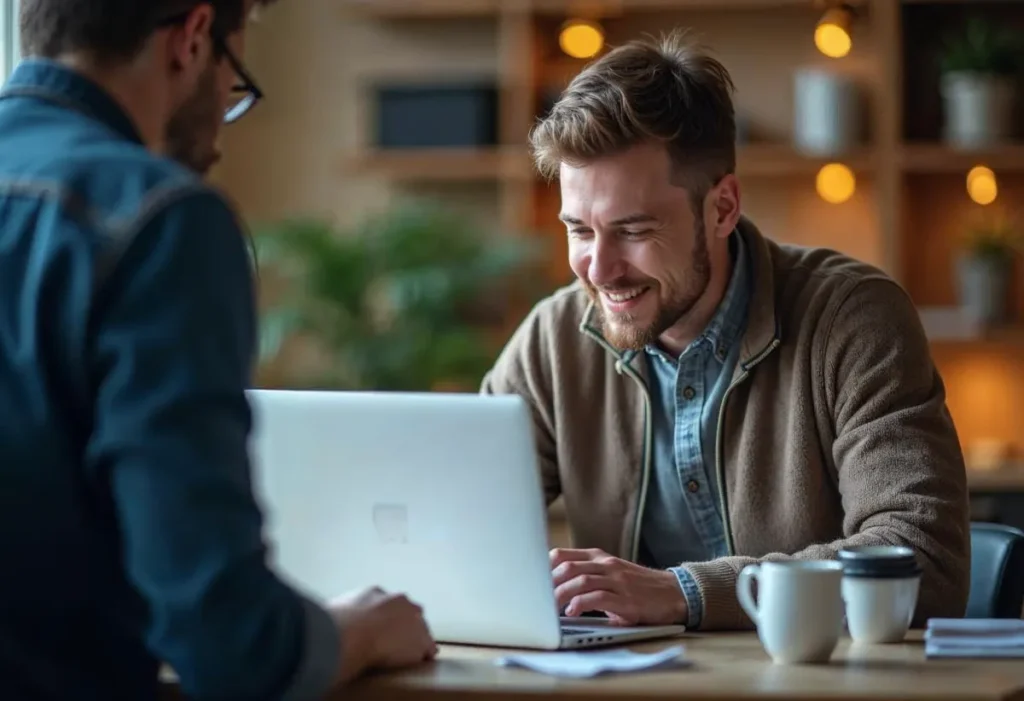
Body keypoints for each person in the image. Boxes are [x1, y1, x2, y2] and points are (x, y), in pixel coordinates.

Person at [0, 2, 435, 700]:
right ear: (193, 38)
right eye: (235, 79)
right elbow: (228, 641)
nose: (223, 131)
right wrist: (365, 627)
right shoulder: (162, 219)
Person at [481, 32, 971, 632]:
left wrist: (686, 593)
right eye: (579, 231)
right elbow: (459, 521)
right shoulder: (552, 340)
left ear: (722, 207)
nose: (599, 269)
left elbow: (920, 559)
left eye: (633, 230)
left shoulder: (853, 319)